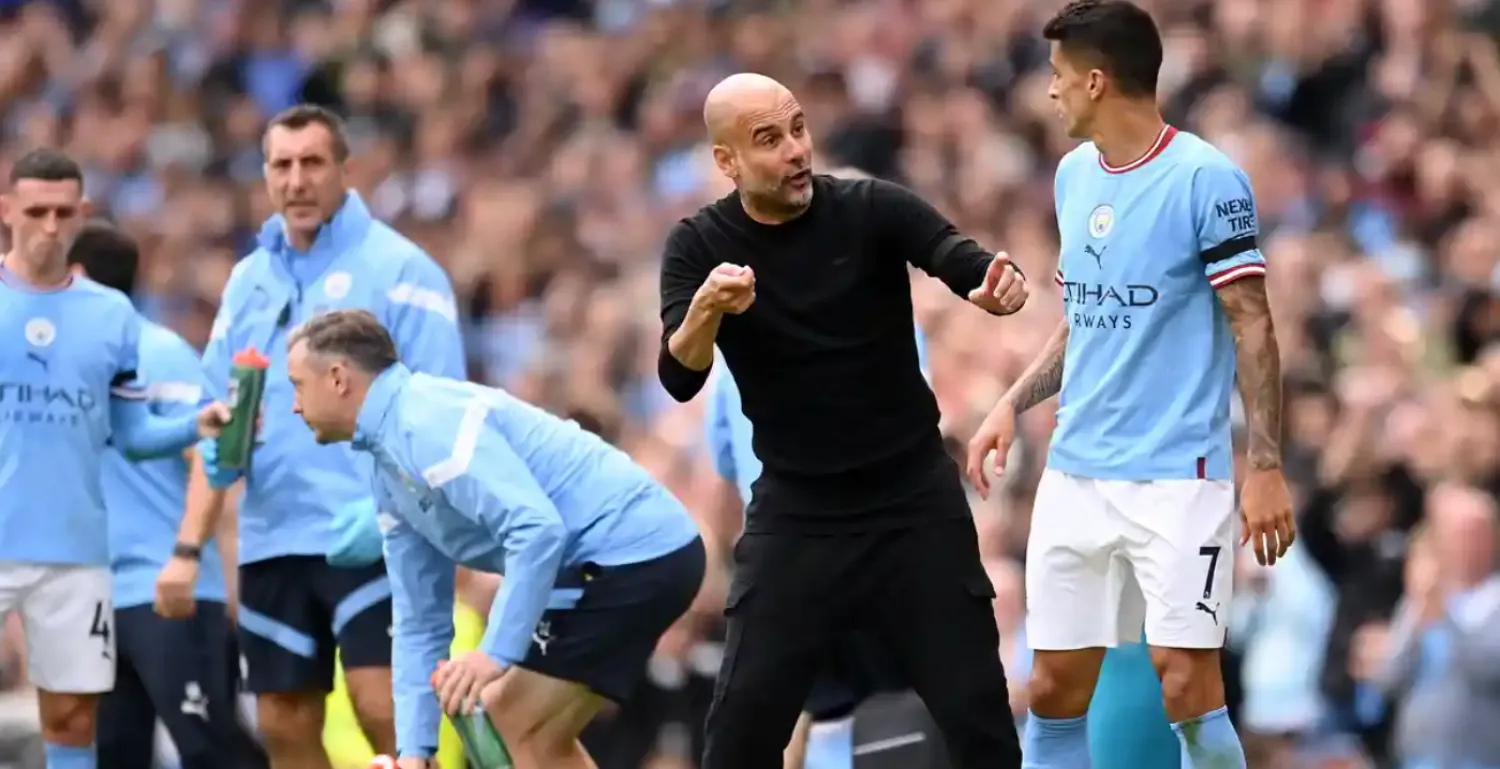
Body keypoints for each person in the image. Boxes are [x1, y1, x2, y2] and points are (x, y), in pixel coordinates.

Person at [658, 72, 1028, 769]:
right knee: (738, 736)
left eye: (798, 128)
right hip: (799, 516)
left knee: (979, 721)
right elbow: (679, 375)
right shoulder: (698, 246)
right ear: (726, 161)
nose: (796, 150)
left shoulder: (869, 208)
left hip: (913, 503)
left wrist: (989, 282)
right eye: (768, 140)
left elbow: (952, 253)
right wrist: (707, 309)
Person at [964, 2, 1296, 767]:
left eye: (1055, 76)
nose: (1049, 92)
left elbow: (1252, 321)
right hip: (1077, 472)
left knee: (1186, 683)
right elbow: (1085, 312)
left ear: (1095, 79)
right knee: (1052, 685)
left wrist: (1267, 464)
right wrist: (1011, 403)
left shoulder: (1209, 180)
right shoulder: (1075, 175)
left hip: (1179, 476)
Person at [154, 104, 467, 767]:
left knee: (385, 706)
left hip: (377, 532)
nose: (296, 180)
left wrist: (397, 501)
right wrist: (189, 542)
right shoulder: (247, 282)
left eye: (312, 163)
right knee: (284, 725)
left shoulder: (403, 270)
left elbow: (446, 410)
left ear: (345, 171)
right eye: (281, 165)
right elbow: (220, 420)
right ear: (265, 174)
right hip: (274, 539)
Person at [280, 309, 706, 769]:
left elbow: (536, 531)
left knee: (515, 719)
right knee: (512, 720)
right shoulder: (387, 458)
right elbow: (421, 619)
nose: (294, 406)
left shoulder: (425, 423)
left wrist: (494, 654)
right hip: (605, 559)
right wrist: (415, 752)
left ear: (339, 378)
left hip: (634, 552)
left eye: (298, 386)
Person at [0, 148, 225, 769]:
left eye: (62, 213)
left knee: (76, 722)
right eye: (36, 210)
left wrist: (193, 424)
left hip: (79, 554)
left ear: (82, 215)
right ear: (7, 211)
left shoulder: (113, 318)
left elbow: (129, 433)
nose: (48, 226)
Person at [67, 221, 268, 769]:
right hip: (96, 600)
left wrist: (185, 555)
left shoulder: (159, 352)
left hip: (166, 589)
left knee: (210, 745)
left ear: (79, 278)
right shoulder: (69, 365)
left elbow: (207, 458)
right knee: (115, 752)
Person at [703, 317, 934, 769]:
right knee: (893, 706)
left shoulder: (735, 348)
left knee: (813, 706)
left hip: (781, 559)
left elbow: (727, 472)